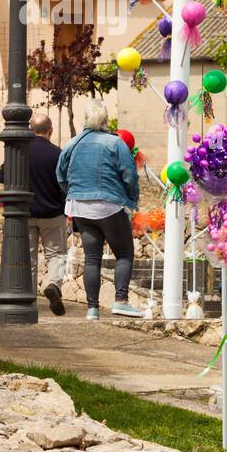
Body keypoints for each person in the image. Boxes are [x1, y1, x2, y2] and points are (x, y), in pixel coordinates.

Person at [56, 102, 141, 320]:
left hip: (79, 206)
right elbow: (129, 174)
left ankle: (92, 309)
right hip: (108, 203)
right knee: (124, 253)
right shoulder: (115, 143)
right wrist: (132, 199)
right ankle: (121, 301)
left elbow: (60, 175)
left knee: (91, 258)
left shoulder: (72, 143)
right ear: (104, 118)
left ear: (85, 118)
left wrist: (73, 192)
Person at [17, 114, 68, 315]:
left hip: (26, 212)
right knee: (55, 255)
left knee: (28, 258)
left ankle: (29, 299)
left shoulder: (21, 152)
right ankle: (53, 284)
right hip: (53, 213)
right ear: (51, 130)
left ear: (31, 129)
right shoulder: (58, 154)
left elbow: (3, 176)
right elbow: (65, 183)